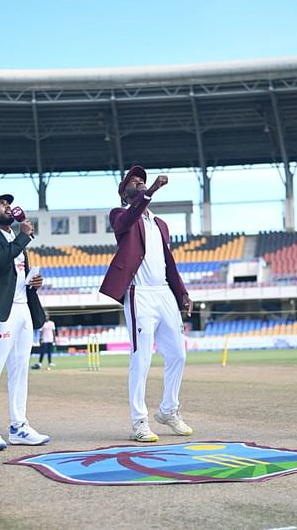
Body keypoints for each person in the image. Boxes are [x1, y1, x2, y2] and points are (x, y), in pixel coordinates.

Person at [99, 166, 194, 443]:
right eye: (133, 182)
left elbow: (169, 263)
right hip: (138, 293)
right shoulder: (120, 214)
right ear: (123, 192)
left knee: (178, 354)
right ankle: (139, 421)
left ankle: (168, 410)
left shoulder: (160, 224)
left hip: (163, 292)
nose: (139, 183)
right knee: (142, 358)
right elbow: (124, 222)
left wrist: (182, 293)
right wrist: (149, 192)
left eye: (142, 180)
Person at [0, 194, 50, 451]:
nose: (7, 206)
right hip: (2, 312)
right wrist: (23, 236)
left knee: (20, 369)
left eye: (8, 203)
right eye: (1, 204)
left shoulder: (16, 240)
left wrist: (32, 282)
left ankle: (19, 426)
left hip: (23, 308)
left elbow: (14, 273)